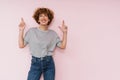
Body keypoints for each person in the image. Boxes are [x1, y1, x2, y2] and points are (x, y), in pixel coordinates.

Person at [18, 7, 67, 80]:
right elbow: (21, 45)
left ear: (49, 19)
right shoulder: (31, 32)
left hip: (49, 63)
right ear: (38, 19)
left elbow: (62, 46)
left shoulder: (53, 34)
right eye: (41, 16)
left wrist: (65, 33)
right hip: (35, 63)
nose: (43, 17)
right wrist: (21, 30)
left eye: (45, 15)